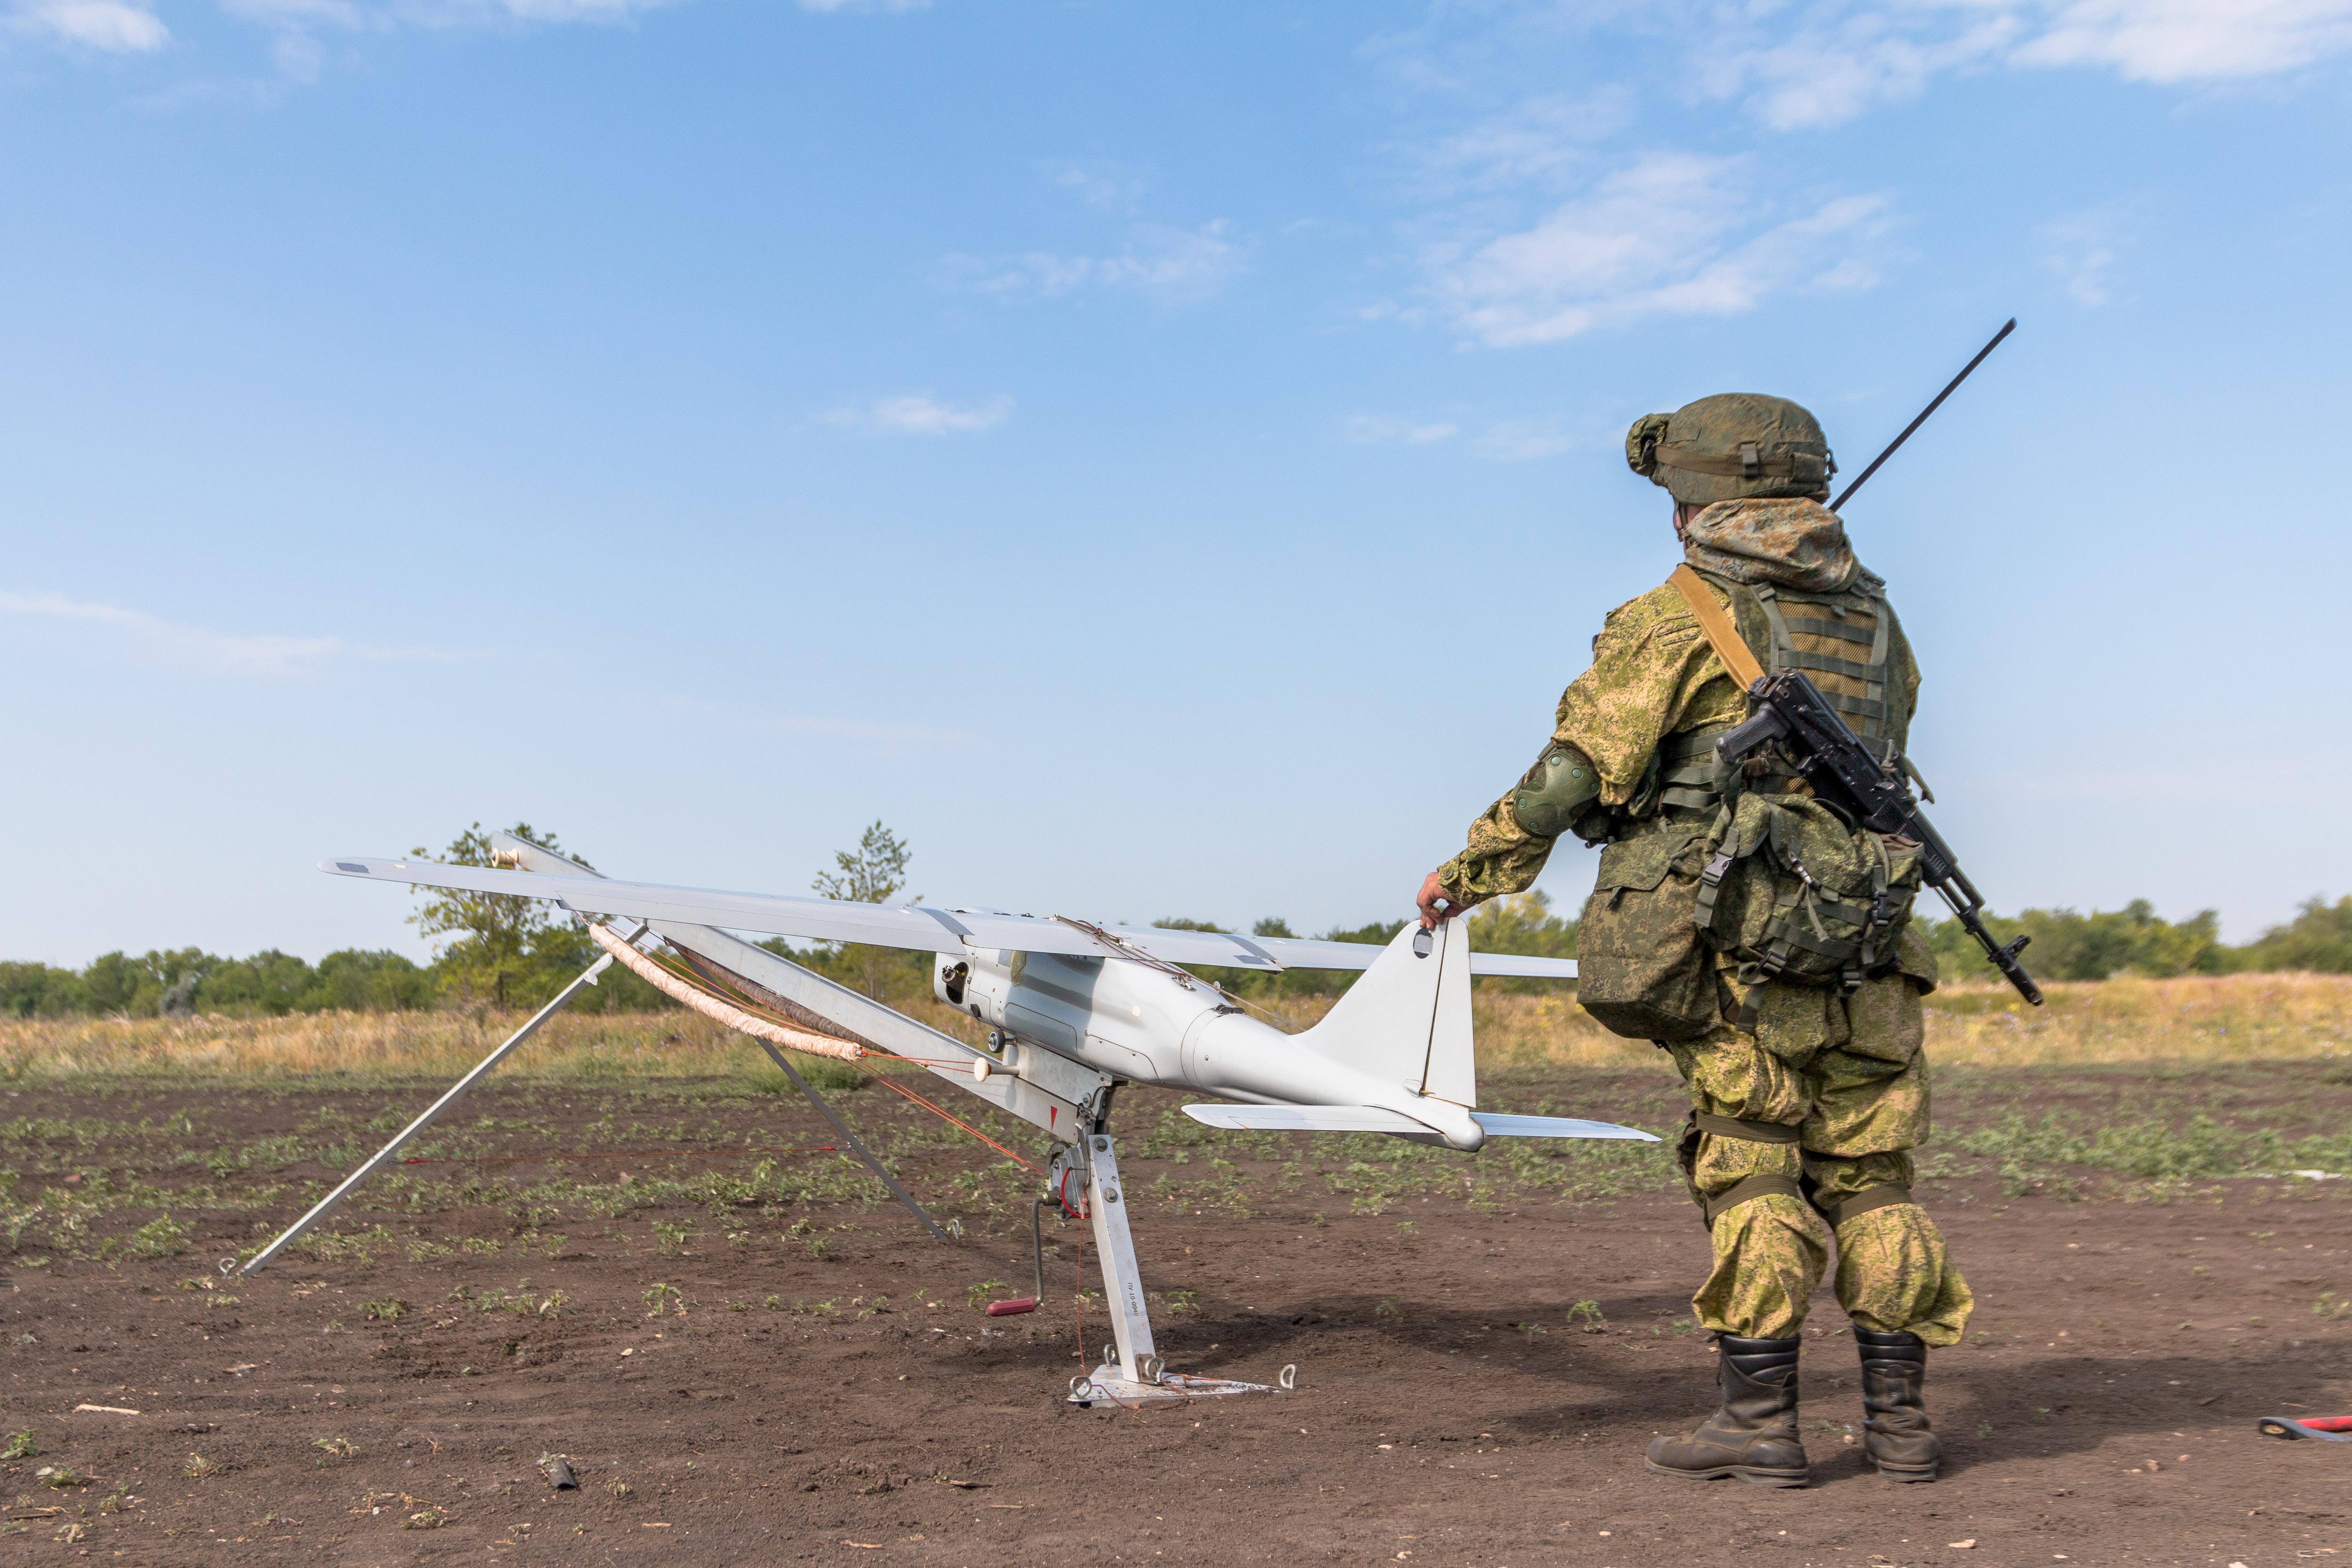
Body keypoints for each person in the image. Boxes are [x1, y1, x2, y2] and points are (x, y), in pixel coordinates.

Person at [1415, 393, 1972, 1488]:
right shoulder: (1876, 619)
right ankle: (1901, 1426)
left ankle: (1760, 1422)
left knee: (1751, 1160)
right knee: (1873, 1180)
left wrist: (1468, 872)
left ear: (1690, 502)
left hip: (1739, 949)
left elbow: (1574, 773)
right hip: (1865, 942)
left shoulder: (1676, 616)